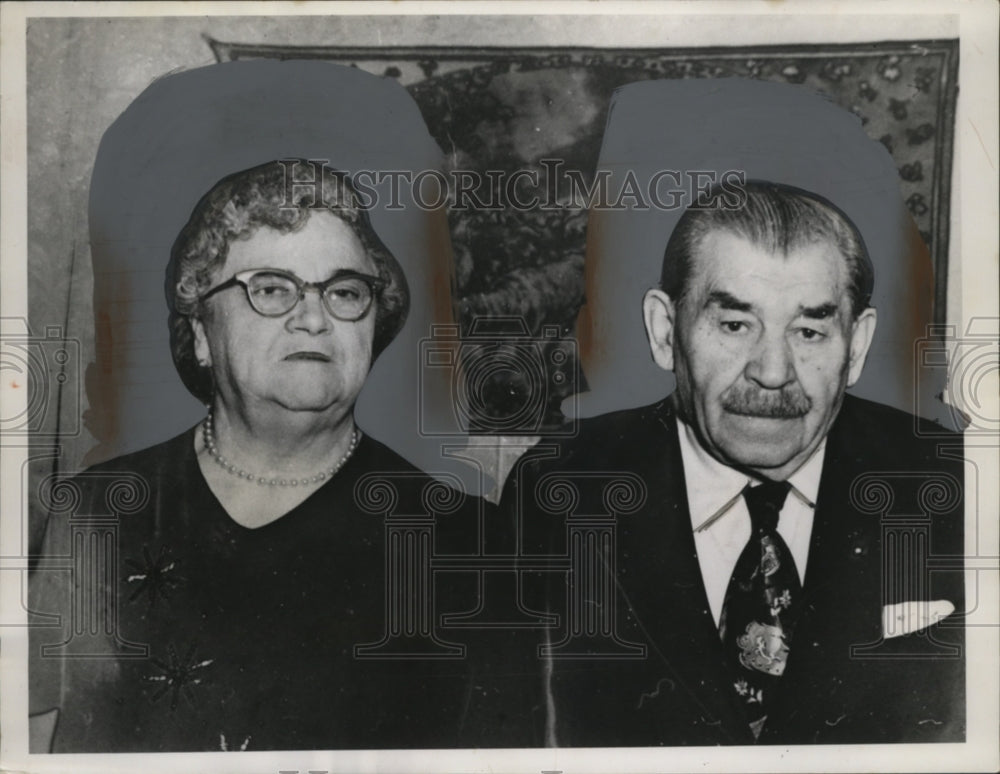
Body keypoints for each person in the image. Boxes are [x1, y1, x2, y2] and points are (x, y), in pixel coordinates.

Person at [29, 160, 481, 752]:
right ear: (199, 334)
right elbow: (39, 737)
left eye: (345, 292)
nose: (314, 318)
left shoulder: (464, 539)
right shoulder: (94, 513)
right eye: (271, 288)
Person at [506, 180, 965, 746]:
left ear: (858, 346)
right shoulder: (560, 486)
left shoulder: (951, 479)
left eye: (810, 331)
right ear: (664, 331)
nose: (773, 372)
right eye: (734, 324)